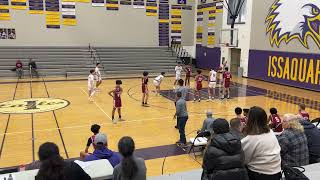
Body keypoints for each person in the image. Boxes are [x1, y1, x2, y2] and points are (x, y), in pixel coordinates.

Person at [241, 106, 281, 180]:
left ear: (250, 120)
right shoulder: (270, 132)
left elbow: (243, 160)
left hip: (261, 175)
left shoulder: (250, 139)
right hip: (277, 172)